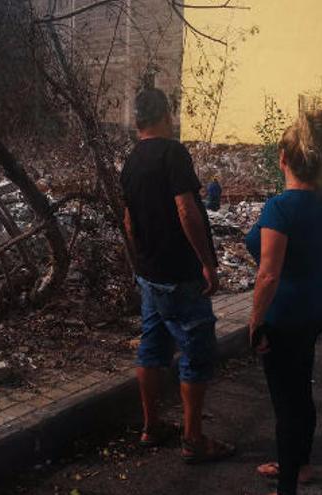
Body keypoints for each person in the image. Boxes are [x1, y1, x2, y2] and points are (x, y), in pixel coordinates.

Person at [120, 88, 235, 464]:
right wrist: (207, 262)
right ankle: (193, 438)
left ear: (137, 120)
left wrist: (142, 260)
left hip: (150, 275)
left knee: (151, 347)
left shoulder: (131, 161)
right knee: (196, 353)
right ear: (165, 115)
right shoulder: (173, 153)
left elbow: (128, 220)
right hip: (181, 275)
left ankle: (151, 427)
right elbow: (187, 210)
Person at [244, 110, 322, 495]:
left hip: (283, 315)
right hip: (314, 308)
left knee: (286, 401)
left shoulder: (280, 208)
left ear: (283, 159)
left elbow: (268, 275)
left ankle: (287, 485)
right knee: (301, 388)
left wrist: (255, 321)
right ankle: (299, 464)